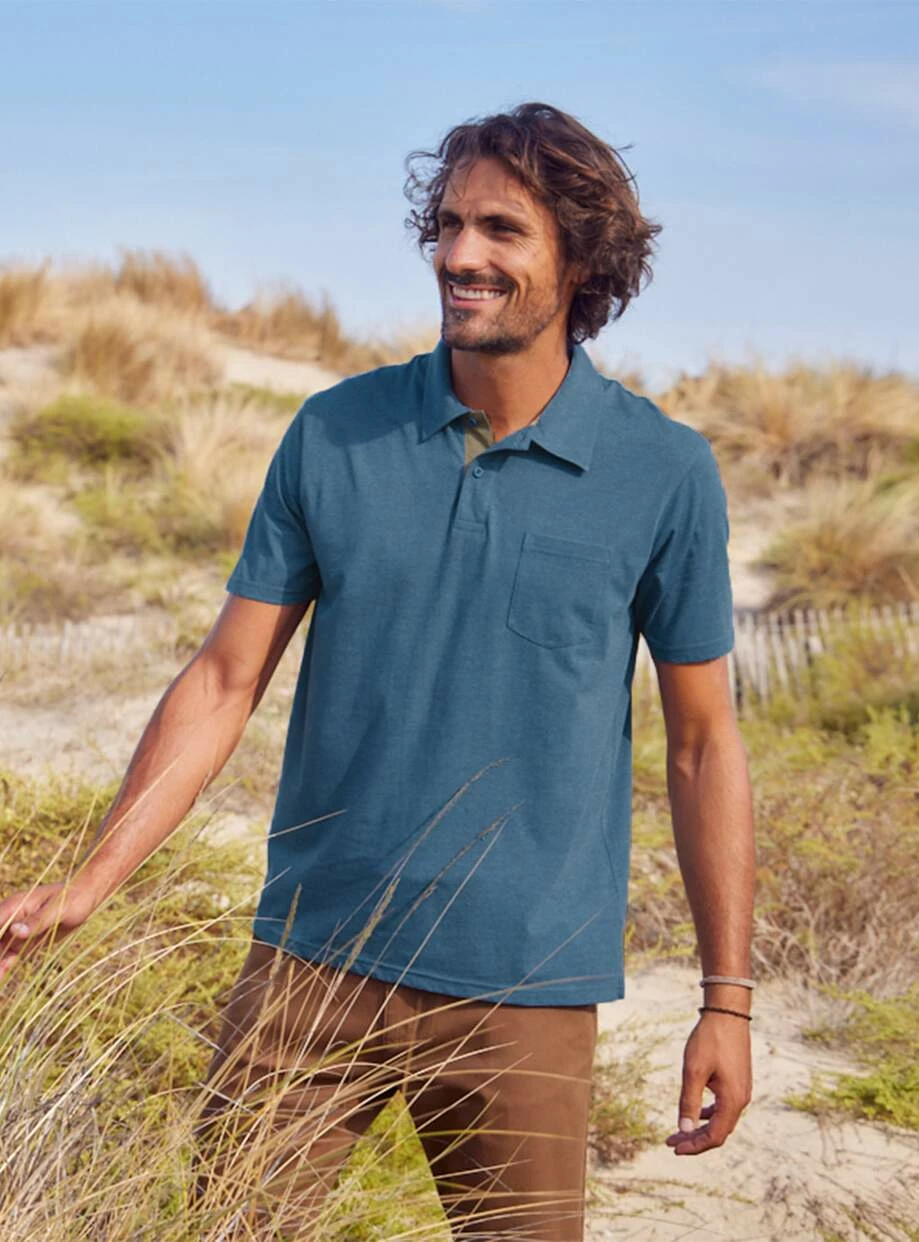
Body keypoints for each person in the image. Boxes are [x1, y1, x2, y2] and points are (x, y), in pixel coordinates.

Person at [0, 101, 755, 1240]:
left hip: (525, 988)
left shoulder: (663, 471)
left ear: (582, 259)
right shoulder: (333, 432)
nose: (459, 254)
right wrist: (91, 881)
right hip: (311, 963)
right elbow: (223, 679)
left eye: (502, 229)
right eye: (447, 224)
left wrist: (726, 1001)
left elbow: (702, 745)